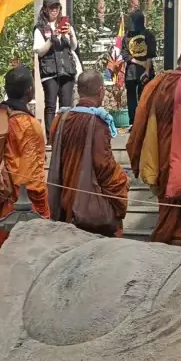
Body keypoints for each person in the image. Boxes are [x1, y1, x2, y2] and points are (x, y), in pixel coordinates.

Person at [127, 44, 181, 245]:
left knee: (168, 207)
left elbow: (139, 123)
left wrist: (138, 154)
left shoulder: (156, 84)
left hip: (159, 156)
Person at [0, 66, 50, 256]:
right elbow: (32, 182)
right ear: (29, 91)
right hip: (15, 208)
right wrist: (44, 215)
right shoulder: (28, 125)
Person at [46, 70, 129, 237]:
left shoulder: (60, 120)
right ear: (101, 92)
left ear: (78, 91)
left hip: (63, 198)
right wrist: (122, 178)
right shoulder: (98, 123)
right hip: (87, 203)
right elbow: (103, 165)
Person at [34, 0, 80, 132]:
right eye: (51, 7)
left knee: (66, 106)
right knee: (51, 105)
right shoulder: (40, 29)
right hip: (50, 73)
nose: (54, 10)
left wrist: (70, 35)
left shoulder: (66, 25)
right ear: (45, 10)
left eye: (56, 7)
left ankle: (66, 135)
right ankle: (50, 137)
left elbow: (73, 47)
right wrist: (51, 39)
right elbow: (39, 51)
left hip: (67, 71)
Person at [122, 6, 156, 125]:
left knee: (143, 98)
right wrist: (144, 67)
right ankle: (136, 123)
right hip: (134, 72)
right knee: (136, 99)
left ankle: (139, 123)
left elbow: (150, 54)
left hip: (137, 72)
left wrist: (146, 70)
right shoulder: (130, 36)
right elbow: (150, 56)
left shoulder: (146, 35)